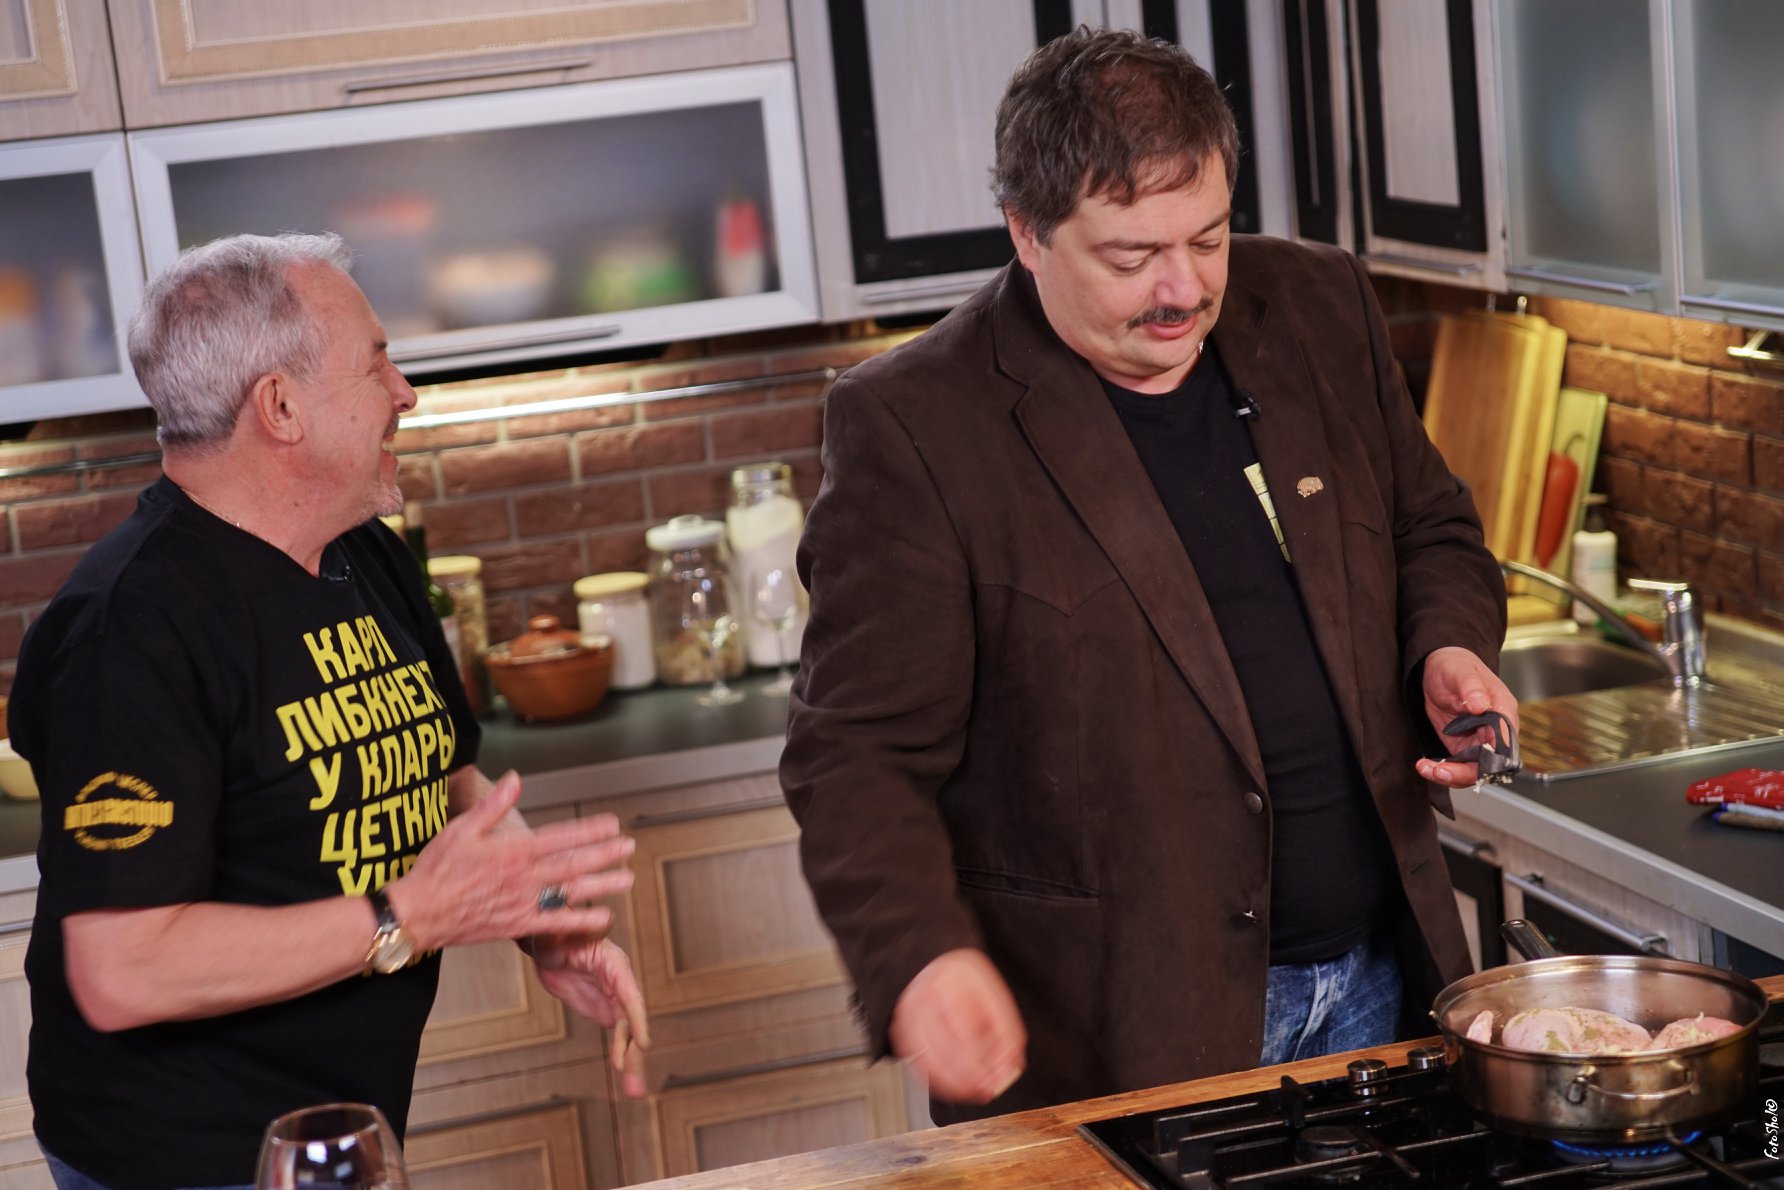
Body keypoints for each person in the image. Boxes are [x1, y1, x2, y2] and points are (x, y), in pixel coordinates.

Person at [780, 27, 1517, 1123]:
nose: (1181, 289)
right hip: (1124, 1038)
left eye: (1207, 239)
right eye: (1130, 258)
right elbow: (854, 755)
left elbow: (1428, 525)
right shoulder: (915, 423)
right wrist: (919, 953)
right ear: (1026, 232)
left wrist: (1445, 646)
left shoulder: (1317, 301)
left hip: (1385, 984)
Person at [10, 232, 650, 1190]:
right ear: (281, 407)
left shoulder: (364, 551)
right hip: (183, 1156)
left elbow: (449, 775)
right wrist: (405, 914)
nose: (406, 392)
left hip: (344, 1123)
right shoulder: (131, 630)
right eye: (377, 361)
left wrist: (547, 916)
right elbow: (122, 970)